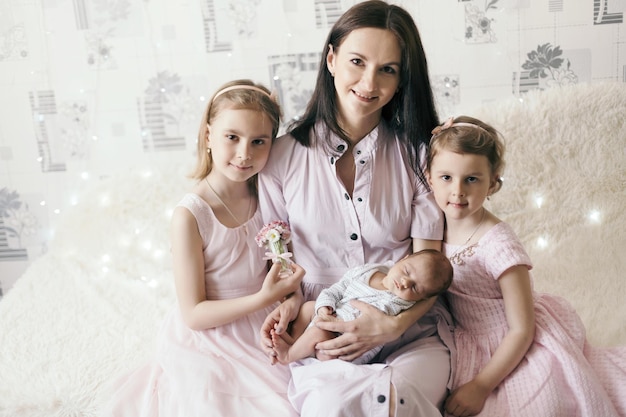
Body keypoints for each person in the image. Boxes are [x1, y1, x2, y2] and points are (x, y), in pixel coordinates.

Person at [258, 1, 455, 416]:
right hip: (323, 333)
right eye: (357, 62)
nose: (369, 82)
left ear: (402, 79)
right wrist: (292, 305)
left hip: (409, 331)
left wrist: (392, 325)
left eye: (388, 69)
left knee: (399, 397)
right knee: (333, 403)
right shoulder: (280, 158)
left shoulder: (419, 157)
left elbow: (429, 264)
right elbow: (281, 258)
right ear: (331, 59)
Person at [105, 80, 305, 417]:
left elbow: (284, 271)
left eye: (259, 142)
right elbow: (194, 314)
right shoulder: (190, 215)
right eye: (232, 137)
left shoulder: (269, 195)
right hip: (213, 335)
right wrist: (263, 298)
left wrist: (292, 298)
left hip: (264, 325)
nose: (245, 153)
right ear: (209, 134)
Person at [426, 115, 626, 417]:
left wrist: (482, 384)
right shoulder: (430, 226)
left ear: (493, 183)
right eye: (446, 178)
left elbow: (522, 328)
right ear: (429, 177)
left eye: (471, 179)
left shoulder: (497, 243)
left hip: (516, 340)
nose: (457, 191)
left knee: (537, 406)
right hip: (466, 339)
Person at [271, 249, 453, 365]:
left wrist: (331, 322)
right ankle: (294, 341)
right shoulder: (369, 270)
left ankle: (288, 356)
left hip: (346, 343)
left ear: (422, 298)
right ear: (402, 259)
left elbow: (365, 326)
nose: (405, 282)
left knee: (320, 332)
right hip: (331, 316)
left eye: (414, 287)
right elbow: (338, 288)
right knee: (309, 307)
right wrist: (323, 307)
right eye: (406, 271)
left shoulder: (396, 303)